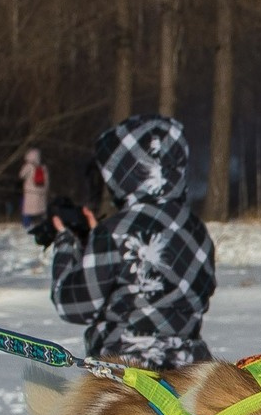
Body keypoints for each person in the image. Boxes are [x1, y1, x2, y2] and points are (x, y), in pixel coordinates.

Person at [38, 115, 215, 369]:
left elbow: (75, 305)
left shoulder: (115, 232)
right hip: (189, 371)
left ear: (124, 171)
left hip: (126, 375)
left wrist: (66, 242)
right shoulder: (198, 231)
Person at [18, 146, 49, 238]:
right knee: (41, 211)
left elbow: (21, 175)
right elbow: (47, 181)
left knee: (27, 211)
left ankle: (26, 226)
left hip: (30, 193)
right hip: (40, 193)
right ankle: (44, 224)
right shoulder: (43, 167)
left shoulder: (28, 166)